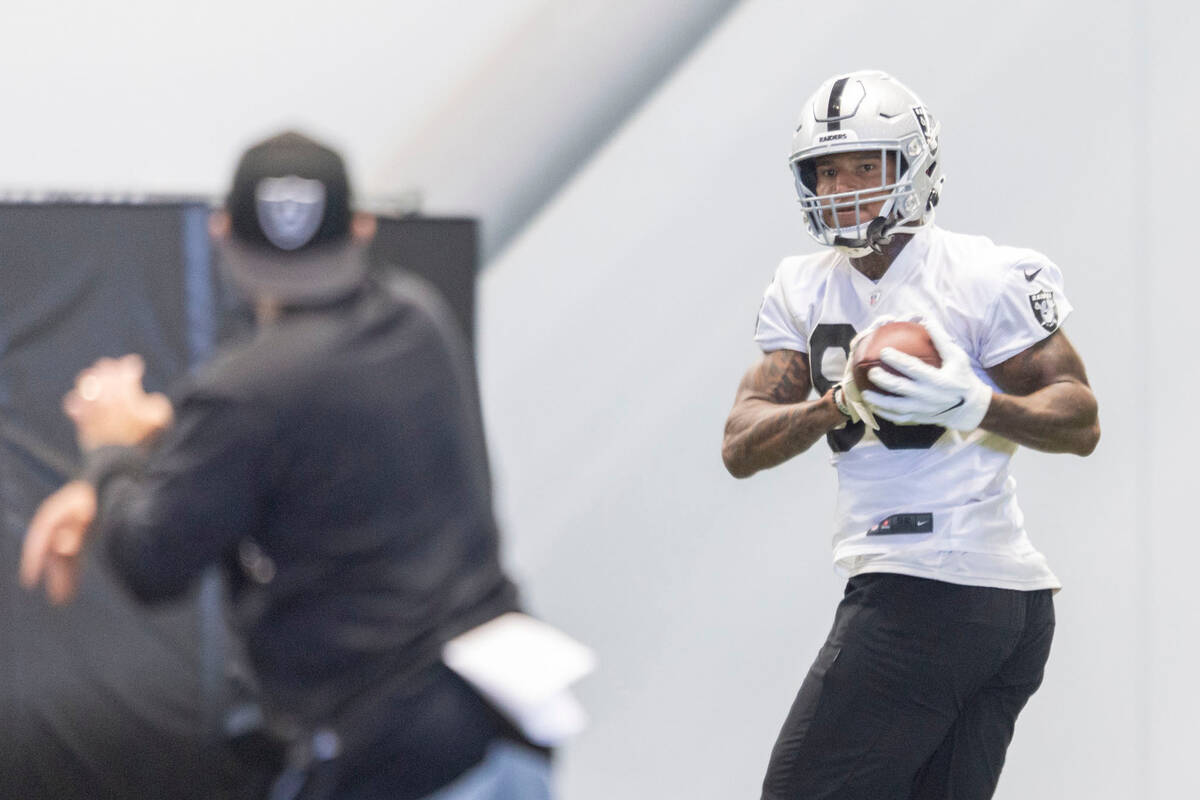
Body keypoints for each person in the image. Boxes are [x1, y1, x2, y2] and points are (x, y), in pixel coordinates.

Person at [19, 131, 554, 800]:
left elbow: (150, 559)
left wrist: (111, 452)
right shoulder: (417, 321)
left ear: (223, 234)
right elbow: (292, 436)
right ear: (359, 229)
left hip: (393, 760)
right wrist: (160, 447)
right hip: (496, 735)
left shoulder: (248, 395)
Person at [721, 71, 1100, 799]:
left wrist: (976, 406)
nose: (845, 186)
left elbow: (1079, 417)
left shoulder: (983, 274)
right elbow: (740, 443)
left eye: (867, 164)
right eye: (827, 171)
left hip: (931, 591)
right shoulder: (803, 286)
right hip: (988, 608)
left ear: (913, 166)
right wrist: (837, 404)